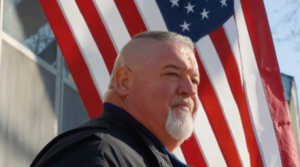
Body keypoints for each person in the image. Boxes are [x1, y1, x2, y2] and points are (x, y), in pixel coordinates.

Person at [30, 31, 200, 167]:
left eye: (194, 81)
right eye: (172, 74)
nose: (190, 90)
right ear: (124, 82)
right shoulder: (95, 154)